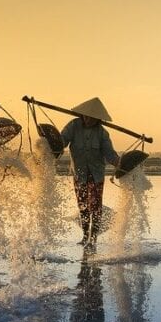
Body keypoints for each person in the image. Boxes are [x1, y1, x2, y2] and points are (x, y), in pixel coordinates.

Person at [60, 98, 119, 250]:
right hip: (79, 174)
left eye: (91, 117)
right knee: (83, 206)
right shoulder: (73, 126)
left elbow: (109, 154)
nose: (87, 119)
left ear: (97, 119)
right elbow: (62, 142)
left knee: (95, 206)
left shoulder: (102, 133)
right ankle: (85, 235)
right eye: (85, 116)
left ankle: (93, 238)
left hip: (96, 174)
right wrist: (50, 142)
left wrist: (120, 164)